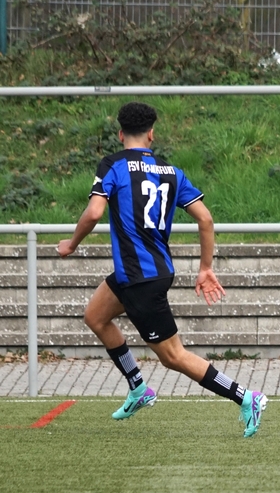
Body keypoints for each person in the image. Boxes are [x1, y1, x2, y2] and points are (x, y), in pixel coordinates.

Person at [57, 102, 267, 437]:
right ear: (152, 134)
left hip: (140, 278)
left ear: (120, 133)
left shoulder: (112, 165)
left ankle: (246, 397)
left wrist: (71, 244)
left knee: (173, 356)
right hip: (144, 272)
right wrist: (205, 268)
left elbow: (95, 213)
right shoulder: (171, 172)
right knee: (96, 316)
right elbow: (206, 218)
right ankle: (138, 387)